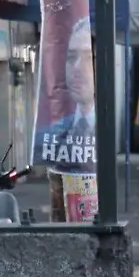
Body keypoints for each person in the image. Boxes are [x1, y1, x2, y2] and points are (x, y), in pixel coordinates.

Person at [34, 16, 97, 172]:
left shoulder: (107, 128)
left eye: (87, 58)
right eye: (71, 57)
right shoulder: (48, 134)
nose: (77, 67)